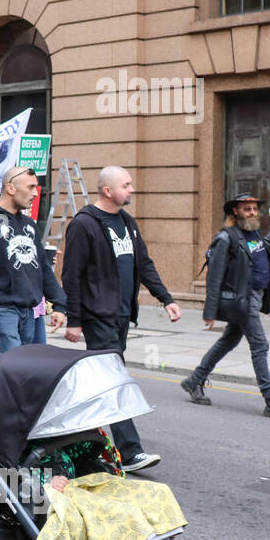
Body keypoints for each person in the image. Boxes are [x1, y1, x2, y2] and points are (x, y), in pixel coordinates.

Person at [60, 166, 181, 473]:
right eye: (126, 185)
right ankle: (130, 452)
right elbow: (71, 275)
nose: (132, 189)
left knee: (98, 383)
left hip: (123, 315)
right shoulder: (84, 225)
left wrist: (166, 299)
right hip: (98, 316)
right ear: (107, 190)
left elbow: (145, 264)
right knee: (114, 380)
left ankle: (74, 441)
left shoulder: (128, 223)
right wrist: (74, 319)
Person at [180, 193, 270, 422]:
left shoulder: (252, 234)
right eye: (247, 209)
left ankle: (195, 380)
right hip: (241, 299)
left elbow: (261, 250)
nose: (252, 213)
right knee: (260, 345)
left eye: (254, 209)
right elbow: (214, 277)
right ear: (236, 211)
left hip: (254, 296)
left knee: (229, 340)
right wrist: (210, 312)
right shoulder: (225, 238)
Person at [0, 166, 67, 350]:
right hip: (0, 311)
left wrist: (59, 304)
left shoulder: (29, 224)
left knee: (25, 369)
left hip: (28, 312)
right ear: (10, 188)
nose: (35, 193)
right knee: (10, 368)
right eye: (30, 187)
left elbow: (41, 267)